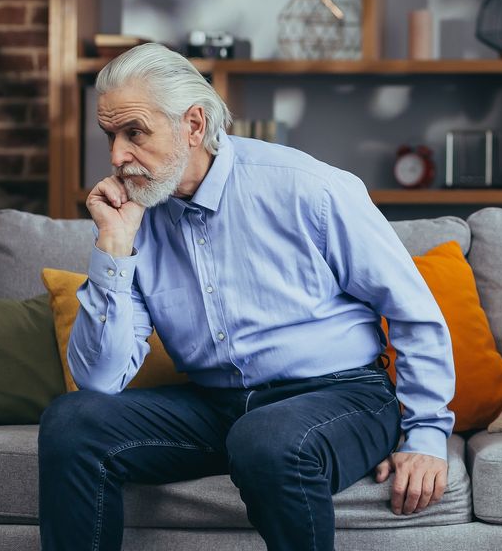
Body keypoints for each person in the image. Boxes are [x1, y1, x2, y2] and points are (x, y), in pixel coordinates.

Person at [37, 43, 456, 551]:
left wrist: (427, 438)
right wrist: (114, 247)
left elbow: (413, 312)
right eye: (110, 136)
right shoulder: (137, 215)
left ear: (193, 125)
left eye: (134, 133)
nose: (116, 157)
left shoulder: (308, 188)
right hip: (219, 407)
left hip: (342, 397)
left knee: (266, 439)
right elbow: (100, 379)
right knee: (71, 422)